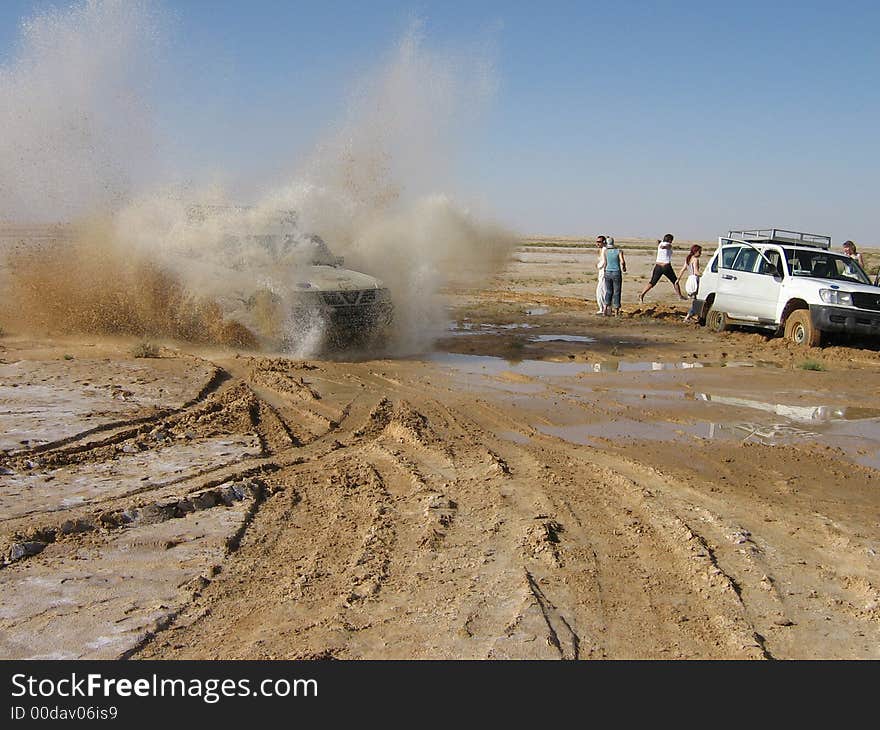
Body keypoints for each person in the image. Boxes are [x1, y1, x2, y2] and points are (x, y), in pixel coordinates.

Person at [639, 233, 686, 303]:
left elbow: (661, 244)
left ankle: (642, 294)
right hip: (666, 266)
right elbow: (666, 246)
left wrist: (661, 243)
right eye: (671, 240)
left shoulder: (660, 244)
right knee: (675, 281)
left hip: (658, 266)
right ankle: (680, 296)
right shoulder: (667, 245)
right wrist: (665, 246)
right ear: (669, 240)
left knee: (652, 282)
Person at [599, 237, 627, 316]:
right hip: (616, 272)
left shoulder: (606, 252)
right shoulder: (619, 251)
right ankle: (616, 312)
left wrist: (604, 272)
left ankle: (605, 309)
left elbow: (605, 263)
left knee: (608, 291)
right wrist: (624, 268)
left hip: (607, 272)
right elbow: (622, 261)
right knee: (617, 292)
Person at [678, 244, 702, 322]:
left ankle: (694, 316)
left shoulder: (688, 259)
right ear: (696, 251)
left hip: (689, 280)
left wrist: (678, 279)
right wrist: (704, 275)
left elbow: (682, 270)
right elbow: (696, 272)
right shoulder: (695, 259)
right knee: (698, 300)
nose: (700, 253)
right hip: (695, 280)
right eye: (699, 251)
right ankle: (688, 317)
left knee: (696, 300)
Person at [594, 235, 607, 314]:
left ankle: (603, 308)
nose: (597, 243)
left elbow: (604, 261)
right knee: (601, 291)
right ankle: (602, 308)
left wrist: (598, 266)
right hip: (601, 273)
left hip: (604, 272)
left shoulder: (605, 250)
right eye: (597, 242)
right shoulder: (602, 249)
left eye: (599, 242)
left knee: (602, 291)